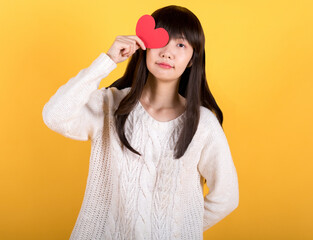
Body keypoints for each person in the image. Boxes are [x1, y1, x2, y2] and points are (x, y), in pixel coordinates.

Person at [42, 5, 239, 240]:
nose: (167, 52)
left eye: (181, 45)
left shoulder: (202, 124)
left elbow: (226, 198)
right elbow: (54, 116)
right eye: (161, 39)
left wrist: (175, 229)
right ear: (144, 46)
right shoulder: (110, 105)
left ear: (191, 60)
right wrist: (107, 61)